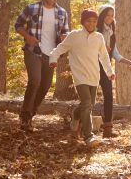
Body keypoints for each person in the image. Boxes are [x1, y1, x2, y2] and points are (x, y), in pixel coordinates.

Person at [48, 9, 115, 147]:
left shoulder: (99, 37)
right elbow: (60, 48)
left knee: (88, 104)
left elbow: (104, 56)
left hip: (94, 75)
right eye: (88, 21)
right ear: (83, 22)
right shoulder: (74, 36)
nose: (91, 24)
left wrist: (109, 72)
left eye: (94, 21)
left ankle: (75, 115)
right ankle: (88, 136)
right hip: (80, 76)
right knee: (87, 103)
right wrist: (52, 59)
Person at [14, 0, 69, 132]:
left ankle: (31, 114)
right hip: (33, 50)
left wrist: (64, 42)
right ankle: (25, 115)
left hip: (51, 54)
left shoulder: (62, 12)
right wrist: (28, 37)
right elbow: (18, 25)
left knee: (45, 86)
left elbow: (65, 31)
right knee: (34, 81)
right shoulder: (31, 8)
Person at [96, 5, 131, 138]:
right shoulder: (95, 31)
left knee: (108, 96)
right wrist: (100, 47)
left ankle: (107, 129)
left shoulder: (112, 34)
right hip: (92, 66)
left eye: (112, 15)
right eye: (107, 15)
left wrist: (130, 63)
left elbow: (116, 54)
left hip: (106, 69)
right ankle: (78, 122)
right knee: (89, 97)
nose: (110, 18)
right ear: (101, 16)